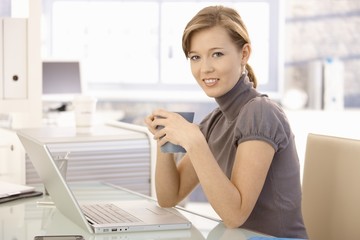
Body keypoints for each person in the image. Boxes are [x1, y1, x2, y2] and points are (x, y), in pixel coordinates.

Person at [144, 5, 307, 239]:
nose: (205, 68)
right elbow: (170, 197)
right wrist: (165, 137)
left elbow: (235, 215)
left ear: (244, 53)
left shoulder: (261, 113)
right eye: (195, 57)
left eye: (217, 54)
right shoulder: (215, 120)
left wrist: (195, 141)